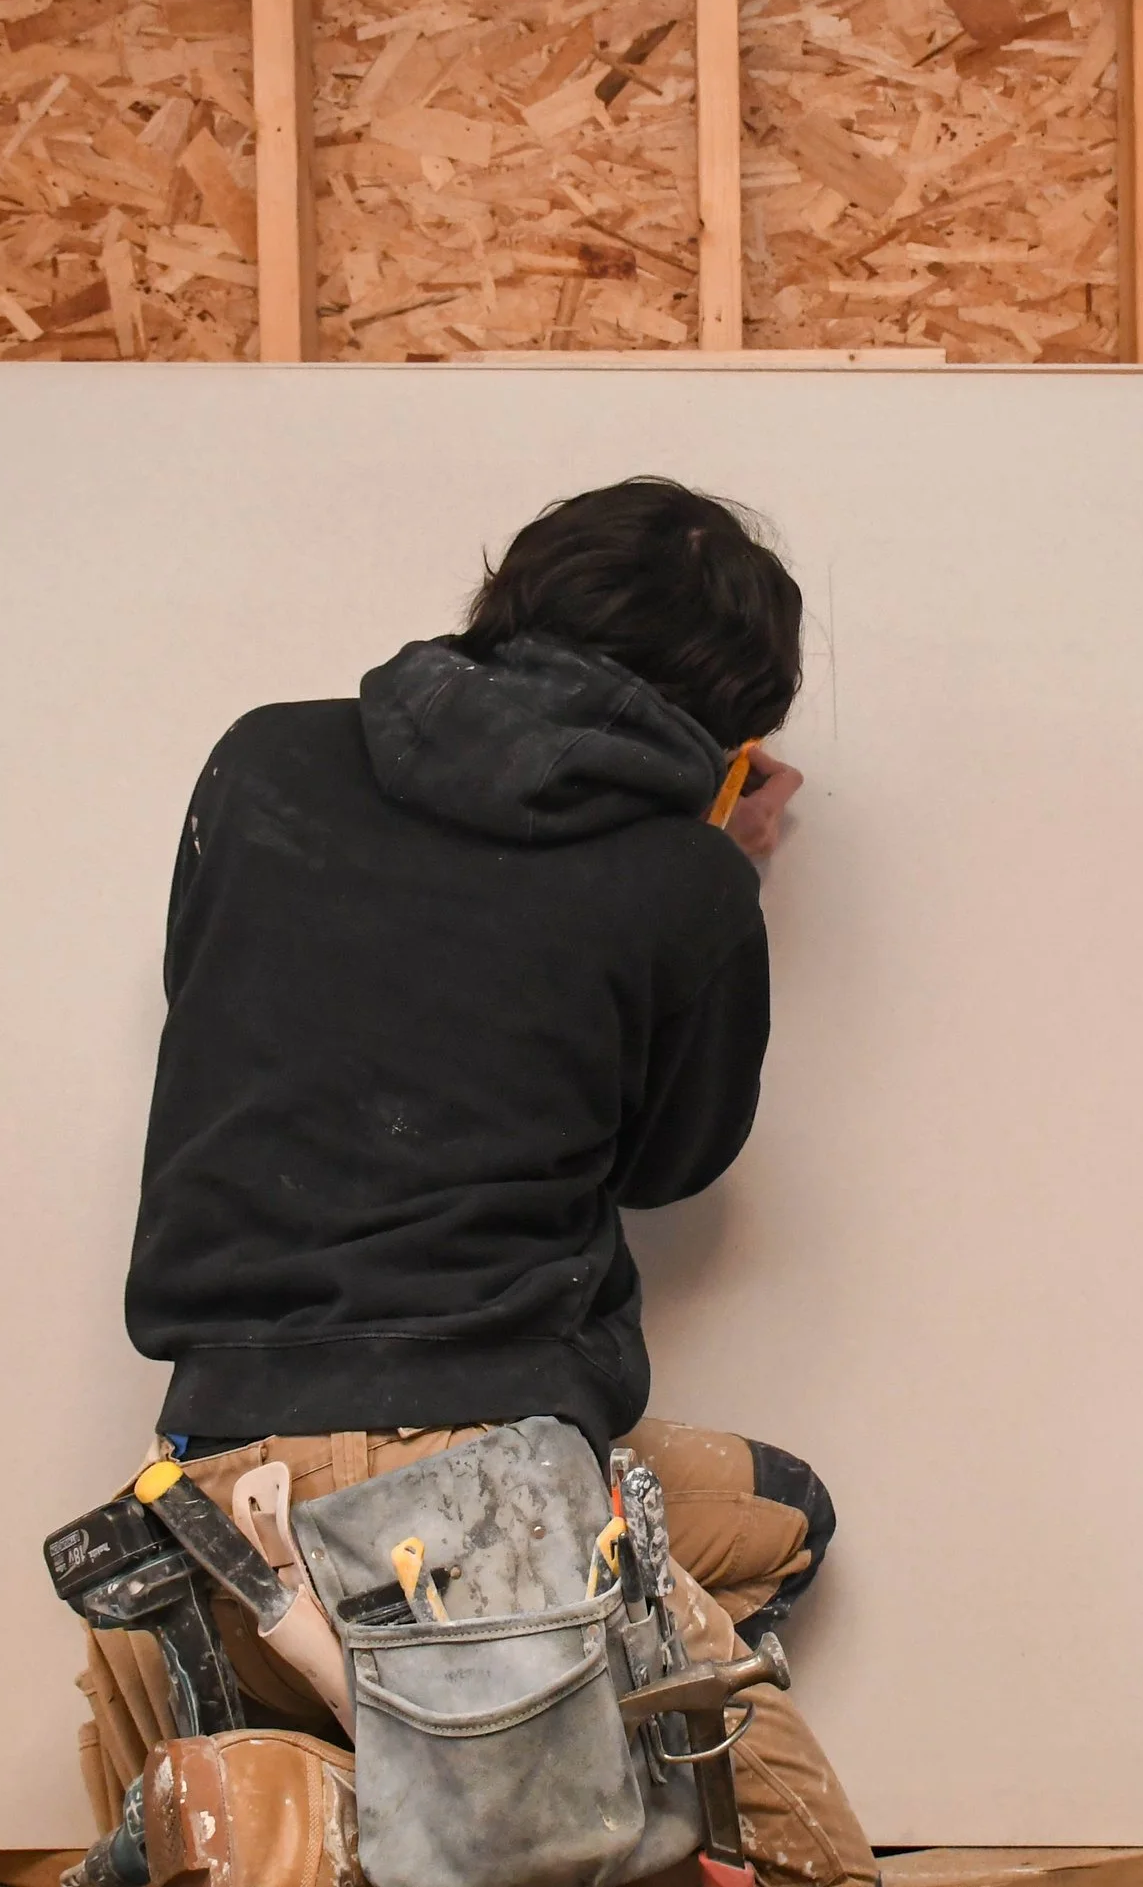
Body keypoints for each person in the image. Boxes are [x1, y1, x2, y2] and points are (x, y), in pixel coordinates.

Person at [74, 478, 874, 1887]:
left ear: (507, 606)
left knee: (778, 1515)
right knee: (811, 1869)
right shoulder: (683, 883)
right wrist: (708, 866)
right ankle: (338, 1816)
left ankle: (412, 1786)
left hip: (210, 1493)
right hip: (475, 1505)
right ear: (724, 729)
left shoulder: (263, 763)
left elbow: (218, 992)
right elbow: (672, 1163)